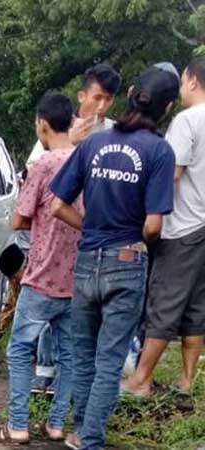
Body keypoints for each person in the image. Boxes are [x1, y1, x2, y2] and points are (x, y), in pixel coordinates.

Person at [50, 66, 179, 450]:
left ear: (132, 93)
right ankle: (89, 440)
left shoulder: (94, 143)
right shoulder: (159, 151)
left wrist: (91, 226)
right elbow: (154, 226)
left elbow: (58, 205)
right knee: (110, 360)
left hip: (87, 259)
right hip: (127, 260)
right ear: (168, 106)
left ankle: (78, 432)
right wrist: (133, 238)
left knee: (83, 354)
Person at [0, 92, 81, 445]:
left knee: (20, 350)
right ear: (71, 121)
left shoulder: (43, 165)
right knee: (69, 355)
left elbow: (19, 218)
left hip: (41, 277)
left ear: (42, 124)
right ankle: (56, 425)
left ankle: (19, 425)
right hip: (76, 279)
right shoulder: (86, 160)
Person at [122, 57, 205, 410]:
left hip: (181, 227)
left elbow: (170, 175)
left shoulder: (187, 121)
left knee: (164, 305)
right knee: (196, 308)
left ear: (190, 80)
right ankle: (186, 383)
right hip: (203, 225)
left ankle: (140, 381)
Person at [26, 64, 122, 167]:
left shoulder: (116, 131)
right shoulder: (60, 124)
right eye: (97, 98)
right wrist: (66, 142)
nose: (101, 106)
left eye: (108, 99)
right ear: (81, 96)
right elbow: (32, 166)